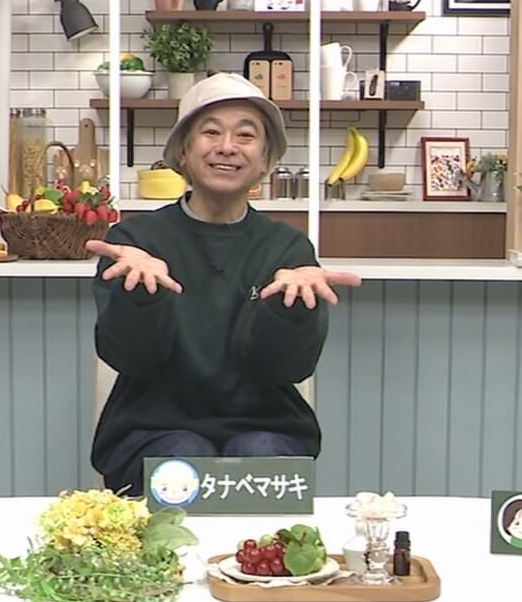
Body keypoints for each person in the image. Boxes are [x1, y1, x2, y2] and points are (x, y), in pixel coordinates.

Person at [86, 73, 360, 495]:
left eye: (245, 136)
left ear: (265, 160)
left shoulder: (286, 250)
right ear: (183, 150)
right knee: (183, 456)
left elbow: (289, 369)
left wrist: (288, 311)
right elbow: (130, 359)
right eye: (211, 132)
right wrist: (141, 296)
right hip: (150, 432)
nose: (227, 147)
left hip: (267, 430)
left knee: (259, 451)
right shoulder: (135, 244)